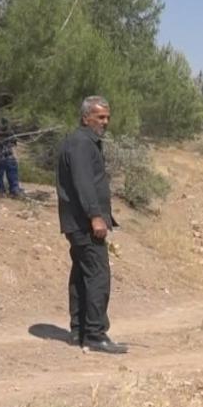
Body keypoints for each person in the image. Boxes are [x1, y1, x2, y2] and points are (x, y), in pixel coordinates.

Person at [56, 95, 126, 354]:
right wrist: (95, 216)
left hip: (76, 222)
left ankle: (79, 331)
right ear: (86, 117)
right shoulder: (82, 144)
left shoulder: (80, 142)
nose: (105, 122)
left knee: (81, 275)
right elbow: (83, 183)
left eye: (107, 117)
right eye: (100, 117)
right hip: (84, 223)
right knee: (97, 275)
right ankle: (95, 334)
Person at [0, 122, 23, 198]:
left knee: (1, 176)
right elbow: (14, 146)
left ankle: (3, 191)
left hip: (1, 158)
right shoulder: (10, 135)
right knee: (8, 175)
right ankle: (12, 191)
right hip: (5, 157)